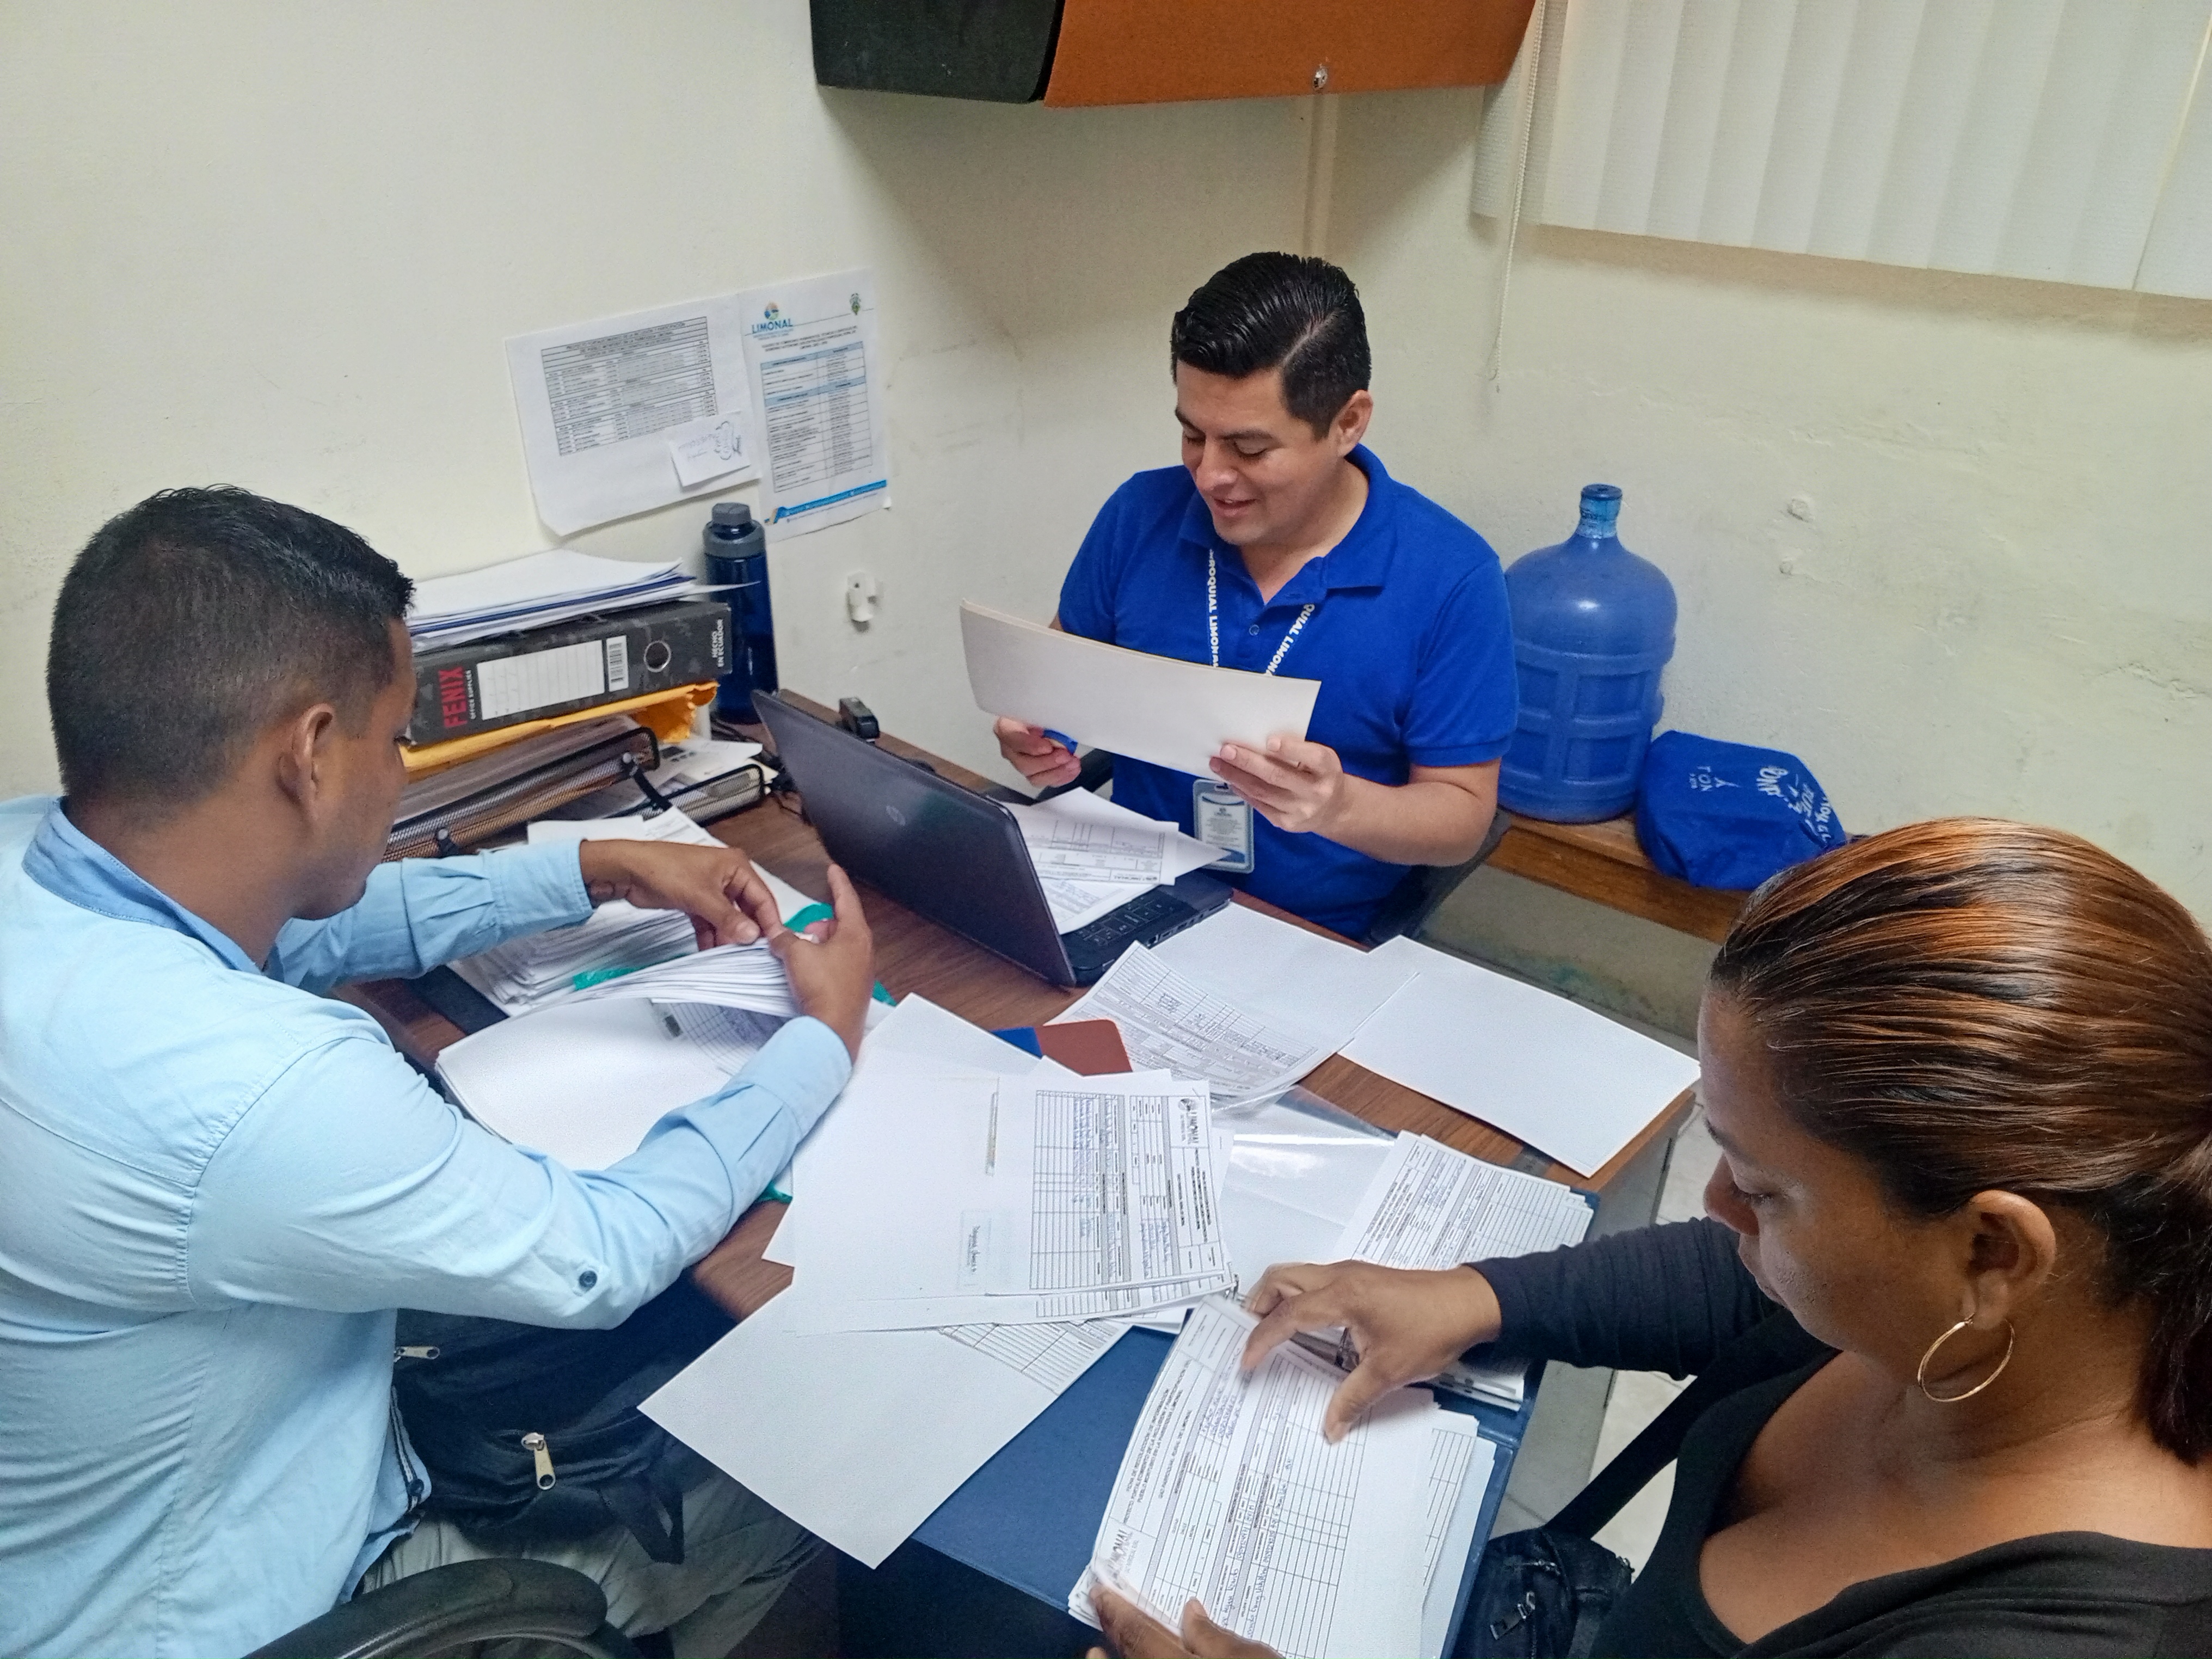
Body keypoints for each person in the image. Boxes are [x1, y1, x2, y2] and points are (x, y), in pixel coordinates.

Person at [0, 488, 877, 1658]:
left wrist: (592, 867)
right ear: (311, 754)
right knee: (806, 1471)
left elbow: (295, 928)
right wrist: (821, 1038)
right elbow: (600, 1254)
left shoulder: (38, 859)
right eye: (394, 736)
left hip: (64, 1546)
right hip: (233, 1605)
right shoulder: (261, 1089)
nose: (404, 768)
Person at [1093, 819, 2212, 1656]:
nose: (1715, 1202)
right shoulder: (1992, 1314)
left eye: (1762, 1187)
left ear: (1990, 1255)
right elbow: (1746, 1290)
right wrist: (1478, 1295)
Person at [994, 252, 1517, 939]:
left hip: (1310, 932)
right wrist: (1038, 732)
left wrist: (1338, 806)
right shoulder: (1139, 515)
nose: (1209, 475)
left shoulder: (1450, 579)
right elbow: (1064, 673)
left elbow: (1461, 818)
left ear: (1347, 422)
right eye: (1192, 434)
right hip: (1125, 894)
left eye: (1247, 448)